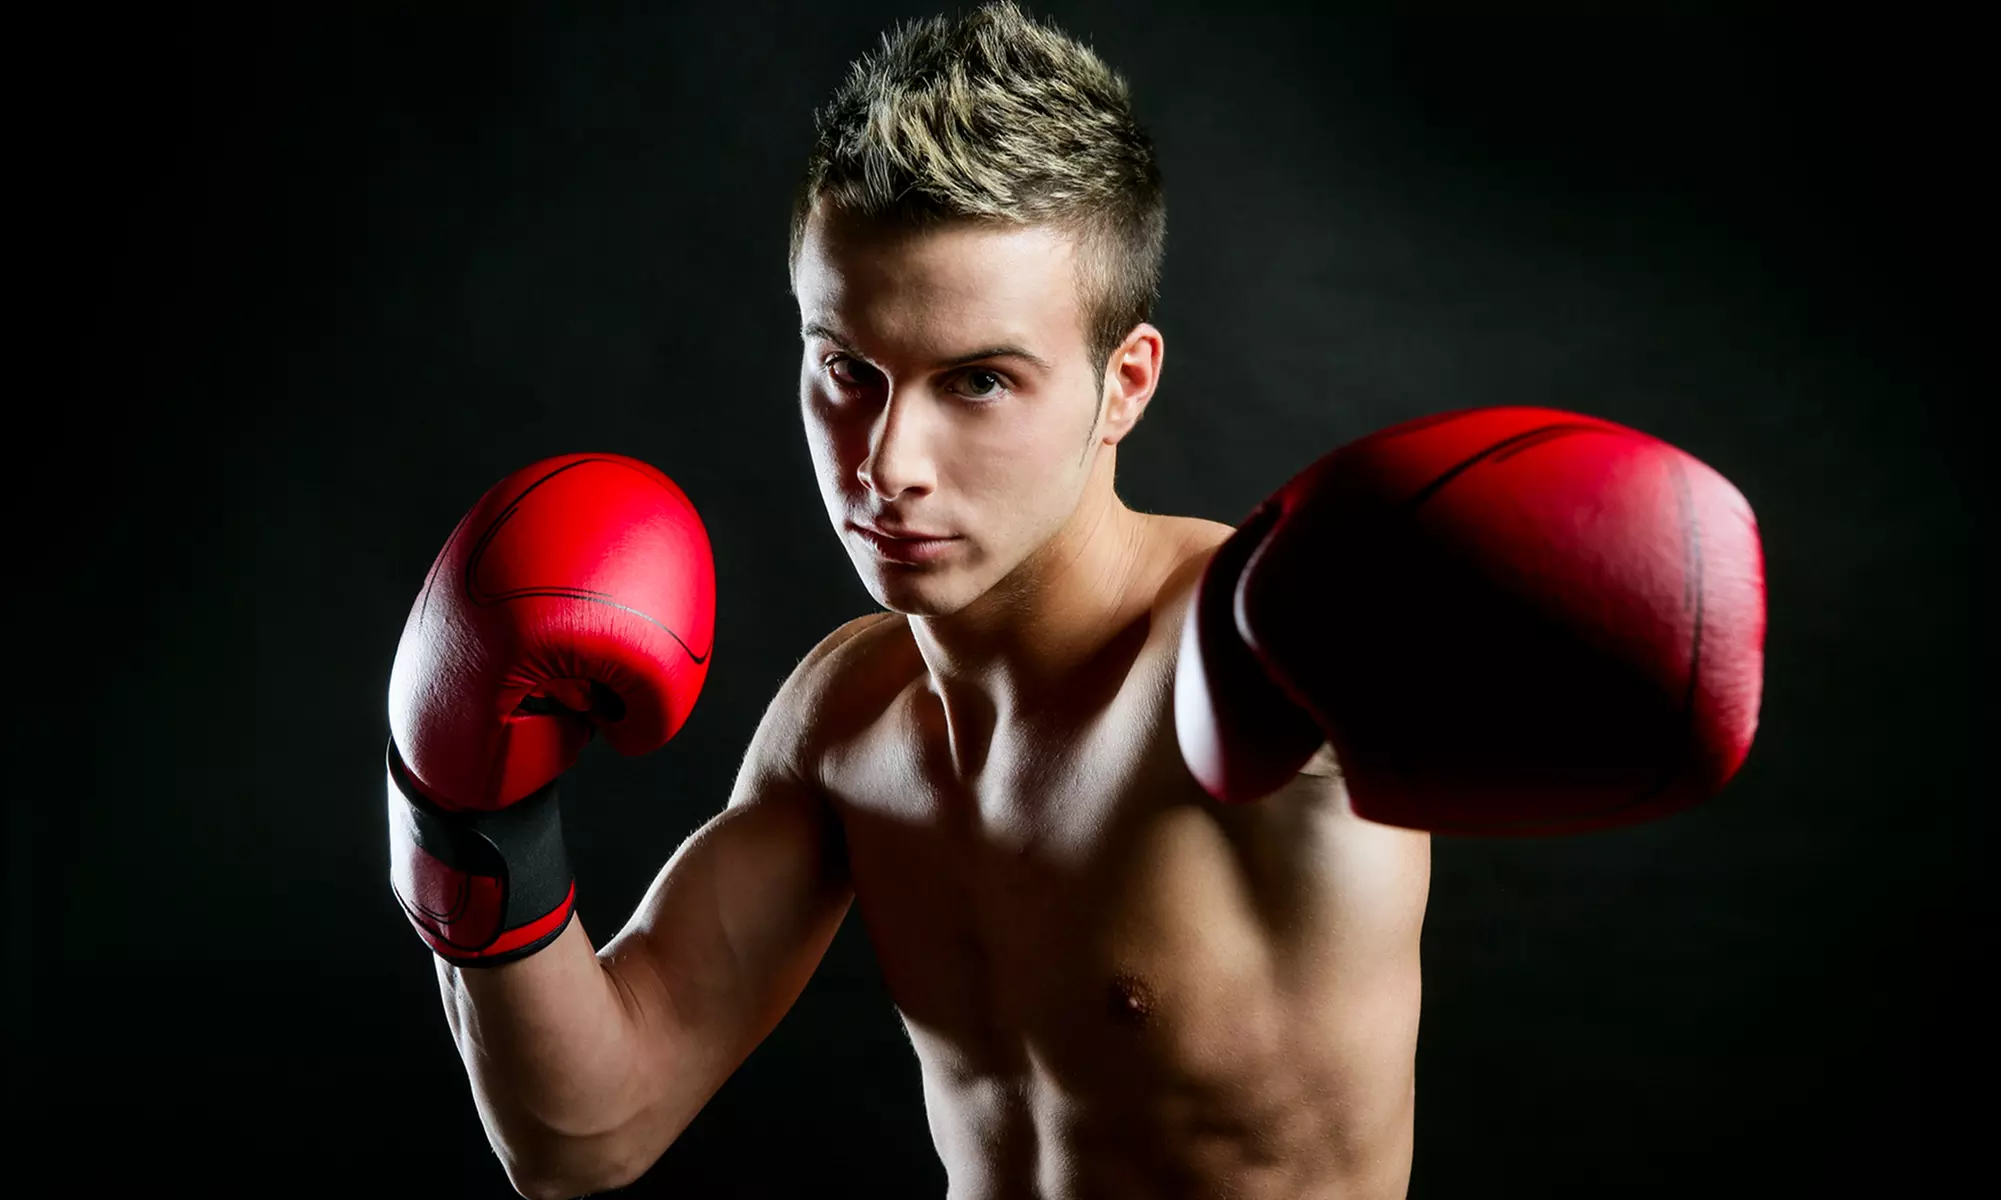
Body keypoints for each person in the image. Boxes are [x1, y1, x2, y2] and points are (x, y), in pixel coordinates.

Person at [380, 4, 1765, 1197]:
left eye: (979, 381)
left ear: (1124, 385)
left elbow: (1612, 613)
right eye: (848, 369)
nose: (887, 461)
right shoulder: (849, 719)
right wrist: (466, 815)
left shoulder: (1263, 662)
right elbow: (586, 1135)